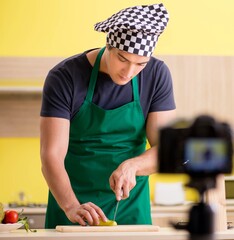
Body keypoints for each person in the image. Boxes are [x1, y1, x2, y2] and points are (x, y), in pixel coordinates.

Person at [40, 3, 176, 228]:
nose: (129, 72)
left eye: (140, 64)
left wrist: (132, 166)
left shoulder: (157, 75)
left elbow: (167, 150)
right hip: (72, 204)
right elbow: (51, 154)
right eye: (123, 59)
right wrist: (70, 206)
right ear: (108, 46)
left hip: (130, 208)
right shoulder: (65, 77)